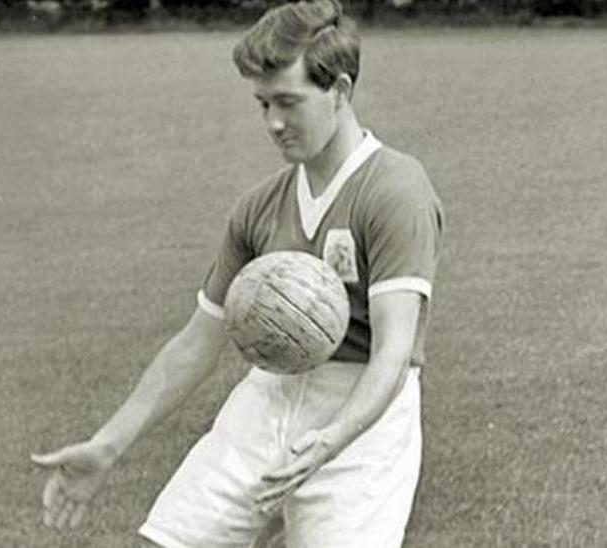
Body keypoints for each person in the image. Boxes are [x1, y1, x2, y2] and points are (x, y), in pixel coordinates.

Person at [31, 0, 444, 545]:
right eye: (262, 103)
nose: (273, 122)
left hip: (364, 413)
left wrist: (333, 438)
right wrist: (108, 445)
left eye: (288, 102)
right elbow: (198, 341)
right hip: (269, 394)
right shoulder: (258, 207)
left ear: (341, 90)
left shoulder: (394, 190)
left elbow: (393, 355)